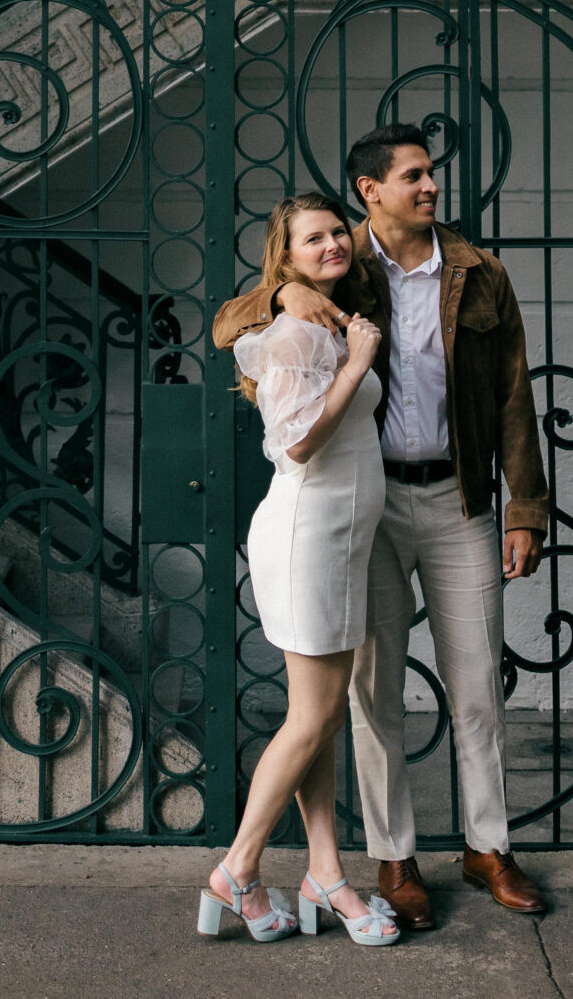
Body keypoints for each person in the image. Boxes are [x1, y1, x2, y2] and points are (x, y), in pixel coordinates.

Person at [215, 123, 550, 930]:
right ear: (372, 190)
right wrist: (281, 294)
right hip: (365, 511)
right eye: (414, 175)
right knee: (373, 695)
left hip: (459, 501)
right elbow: (231, 324)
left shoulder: (478, 273)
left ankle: (487, 845)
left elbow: (512, 396)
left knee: (477, 689)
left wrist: (525, 507)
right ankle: (393, 859)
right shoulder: (335, 263)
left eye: (430, 173)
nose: (430, 186)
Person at [198, 192, 400, 948]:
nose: (331, 247)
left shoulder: (330, 319)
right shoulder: (295, 335)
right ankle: (238, 869)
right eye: (311, 241)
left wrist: (348, 346)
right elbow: (298, 447)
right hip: (306, 536)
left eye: (336, 235)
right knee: (313, 718)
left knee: (317, 719)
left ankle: (324, 873)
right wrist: (356, 365)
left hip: (339, 540)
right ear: (286, 261)